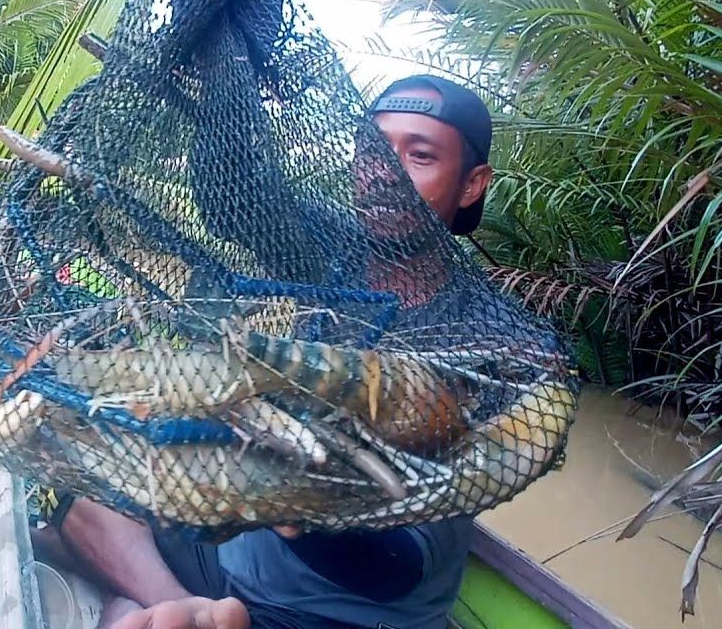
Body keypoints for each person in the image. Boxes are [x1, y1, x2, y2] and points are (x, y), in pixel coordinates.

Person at [30, 74, 498, 629]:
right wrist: (217, 39)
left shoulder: (476, 344)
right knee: (86, 498)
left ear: (471, 185)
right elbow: (230, 198)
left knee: (95, 555)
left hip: (343, 610)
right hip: (239, 558)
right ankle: (177, 603)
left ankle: (153, 607)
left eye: (419, 156)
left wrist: (294, 510)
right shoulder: (337, 258)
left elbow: (399, 568)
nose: (384, 176)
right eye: (373, 152)